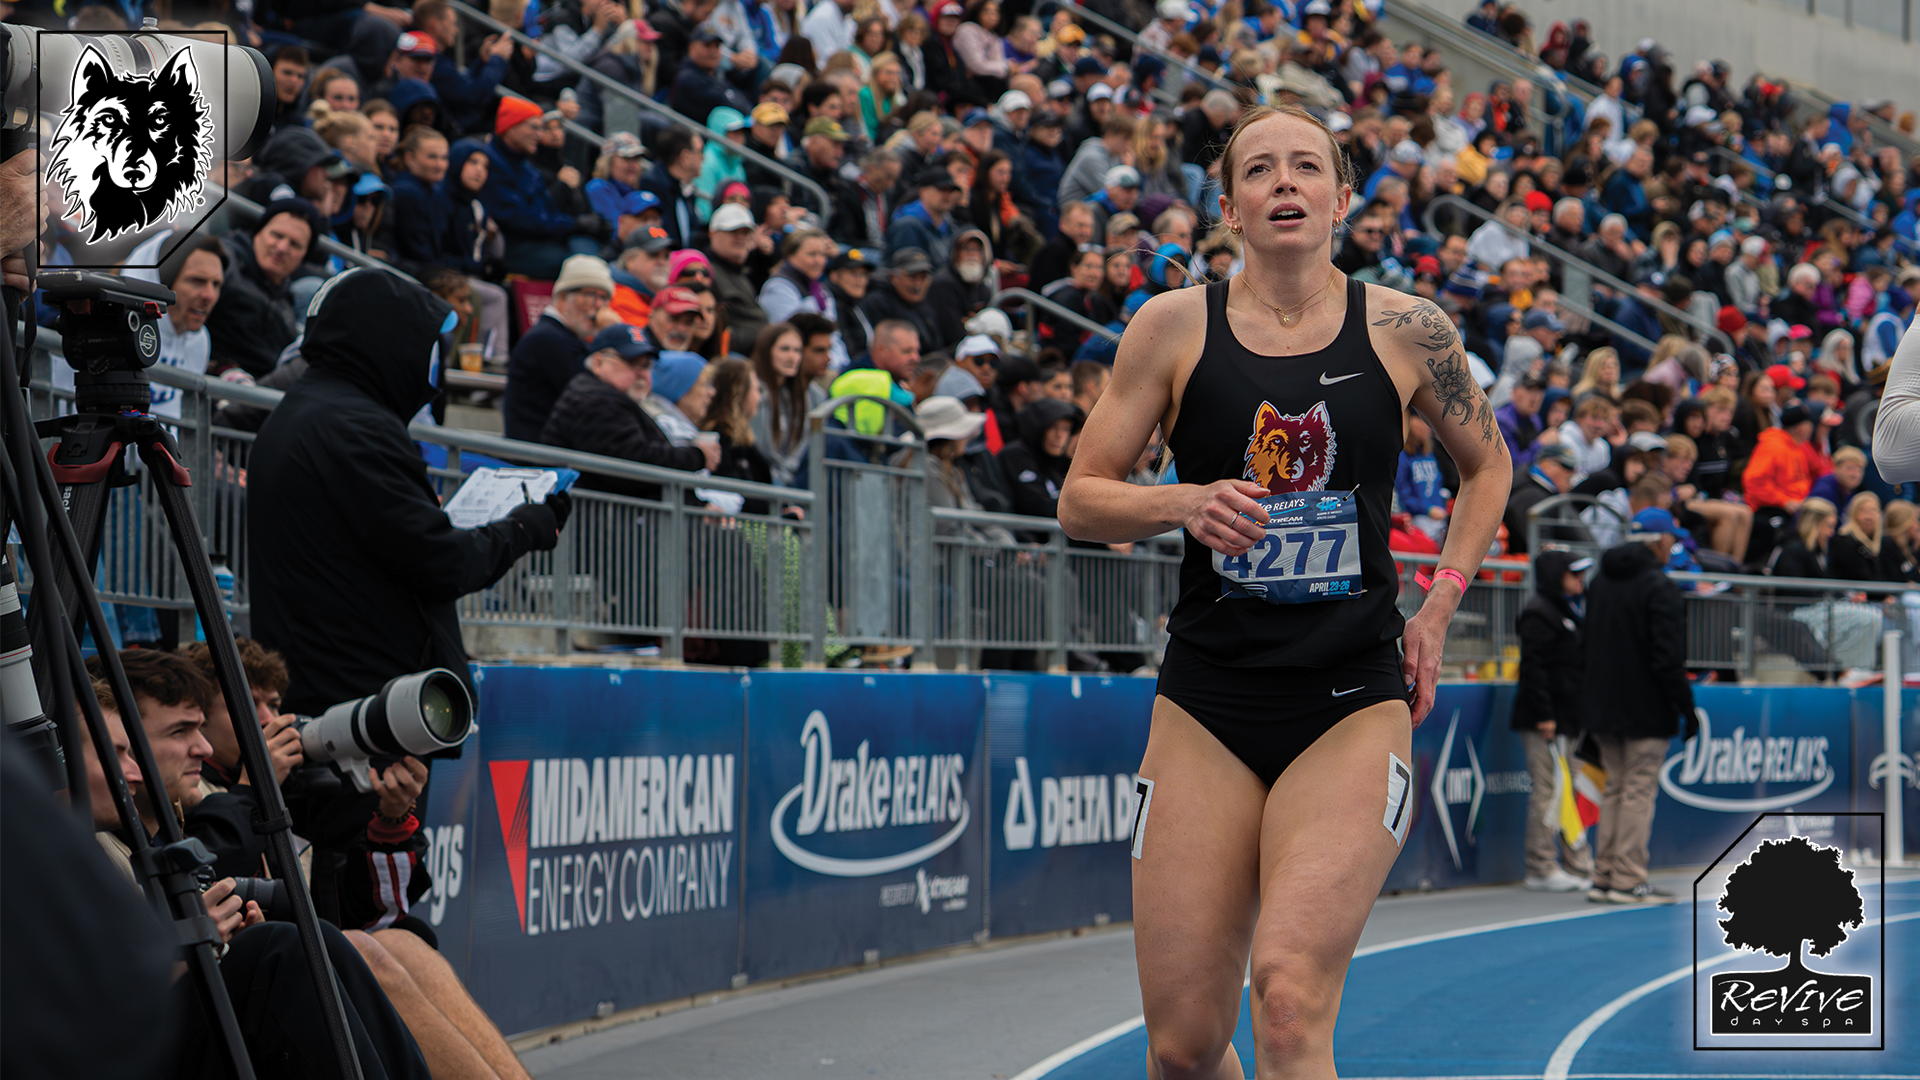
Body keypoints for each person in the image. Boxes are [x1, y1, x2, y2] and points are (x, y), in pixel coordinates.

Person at [1055, 105, 1511, 1078]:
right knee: (1181, 1050)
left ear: (1344, 199)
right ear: (1228, 205)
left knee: (1292, 1003)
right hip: (1208, 700)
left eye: (1308, 167)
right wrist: (1182, 500)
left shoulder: (1408, 329)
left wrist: (1438, 602)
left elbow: (1492, 469)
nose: (1286, 184)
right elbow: (1081, 503)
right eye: (1261, 170)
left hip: (1349, 697)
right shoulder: (1172, 327)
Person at [250, 269, 566, 716]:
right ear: (388, 339)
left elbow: (394, 541)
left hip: (332, 689)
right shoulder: (356, 427)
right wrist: (524, 526)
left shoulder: (310, 410)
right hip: (360, 706)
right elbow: (440, 563)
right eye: (428, 346)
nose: (433, 369)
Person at [1580, 507, 1693, 905]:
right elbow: (1667, 658)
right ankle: (1627, 879)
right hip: (1646, 708)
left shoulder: (1599, 581)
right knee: (1636, 792)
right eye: (1671, 540)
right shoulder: (1658, 586)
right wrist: (1687, 708)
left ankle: (1604, 875)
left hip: (1603, 705)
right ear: (1660, 541)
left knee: (1615, 789)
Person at [542, 324, 718, 500]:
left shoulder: (608, 396)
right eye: (632, 363)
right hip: (600, 520)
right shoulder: (595, 399)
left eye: (647, 365)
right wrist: (697, 456)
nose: (642, 374)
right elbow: (633, 463)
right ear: (598, 362)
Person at [1512, 549, 1596, 893]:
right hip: (1544, 720)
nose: (1580, 581)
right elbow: (1533, 670)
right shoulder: (1538, 612)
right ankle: (1540, 866)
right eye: (1574, 574)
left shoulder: (1569, 608)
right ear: (1555, 575)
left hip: (1568, 720)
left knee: (1568, 793)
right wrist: (1545, 715)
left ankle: (1576, 864)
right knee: (1547, 792)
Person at [503, 255, 615, 443]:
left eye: (604, 298)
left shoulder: (562, 338)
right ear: (563, 297)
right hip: (539, 459)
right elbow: (597, 398)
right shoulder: (548, 339)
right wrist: (611, 335)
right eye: (590, 295)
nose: (598, 305)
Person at [205, 199, 320, 378]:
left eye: (295, 244)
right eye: (277, 235)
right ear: (258, 233)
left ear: (303, 259)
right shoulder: (224, 261)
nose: (282, 248)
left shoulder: (285, 301)